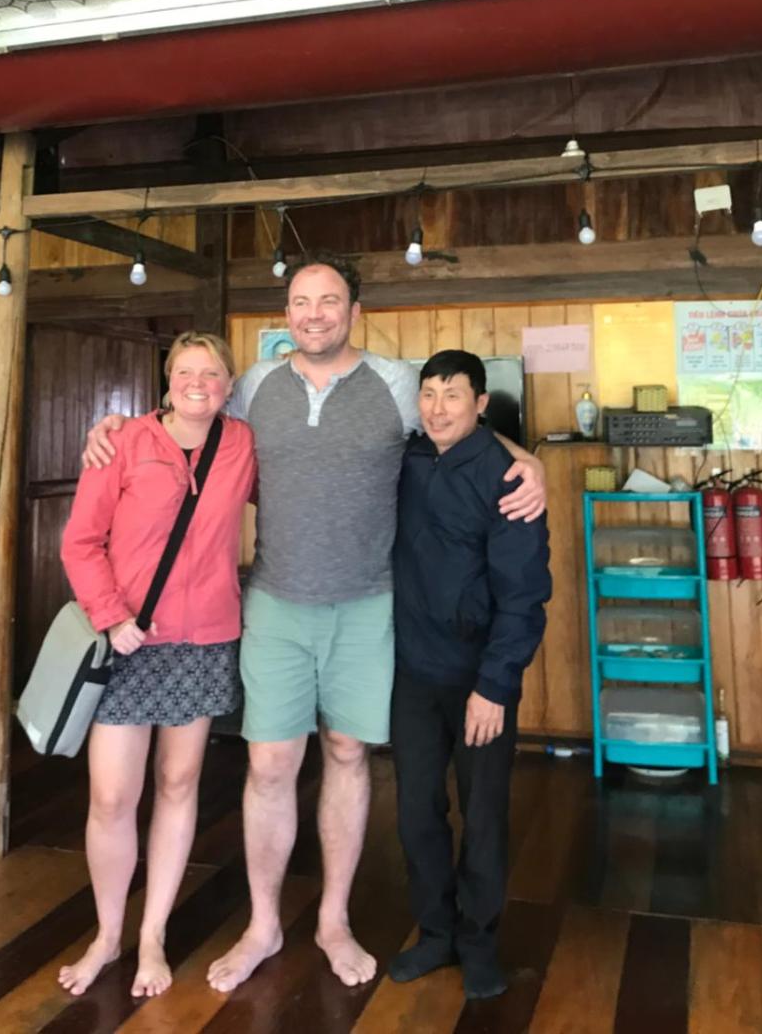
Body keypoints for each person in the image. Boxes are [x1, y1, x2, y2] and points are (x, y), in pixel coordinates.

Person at [82, 253, 547, 992]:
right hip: (275, 602)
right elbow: (184, 417)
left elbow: (460, 430)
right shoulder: (254, 387)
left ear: (354, 311)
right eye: (302, 302)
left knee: (347, 752)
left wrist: (529, 461)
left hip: (367, 604)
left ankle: (333, 921)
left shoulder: (396, 385)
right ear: (287, 314)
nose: (315, 314)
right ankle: (264, 924)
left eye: (329, 301)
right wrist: (112, 427)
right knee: (270, 764)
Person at [58, 331, 256, 999]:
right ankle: (108, 935)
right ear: (167, 381)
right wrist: (111, 616)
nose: (198, 383)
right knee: (113, 796)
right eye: (185, 372)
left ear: (230, 385)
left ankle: (152, 937)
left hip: (203, 640)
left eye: (212, 373)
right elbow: (81, 542)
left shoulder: (243, 444)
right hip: (128, 639)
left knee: (177, 783)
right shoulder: (123, 442)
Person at [389, 350, 550, 1000]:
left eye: (452, 394)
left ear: (481, 404)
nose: (437, 408)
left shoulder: (508, 478)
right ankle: (435, 934)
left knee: (483, 815)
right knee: (416, 811)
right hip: (411, 672)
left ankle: (479, 942)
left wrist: (495, 686)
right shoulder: (405, 460)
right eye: (428, 394)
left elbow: (524, 595)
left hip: (479, 678)